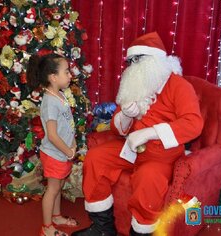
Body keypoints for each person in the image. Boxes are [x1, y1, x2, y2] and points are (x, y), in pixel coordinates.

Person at [72, 32, 204, 236]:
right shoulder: (135, 85)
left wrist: (150, 133)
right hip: (131, 149)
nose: (132, 66)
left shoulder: (179, 86)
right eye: (130, 61)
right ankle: (102, 229)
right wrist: (125, 115)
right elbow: (117, 129)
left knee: (148, 179)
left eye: (138, 60)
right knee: (95, 158)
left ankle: (141, 233)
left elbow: (193, 124)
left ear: (156, 61)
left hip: (162, 156)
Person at [27, 54, 79, 236]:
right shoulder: (49, 102)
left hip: (63, 153)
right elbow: (52, 135)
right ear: (53, 77)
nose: (70, 75)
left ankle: (56, 216)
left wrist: (72, 144)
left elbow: (68, 124)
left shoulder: (60, 95)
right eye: (66, 72)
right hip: (54, 153)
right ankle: (47, 227)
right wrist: (68, 151)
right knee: (53, 189)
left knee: (58, 186)